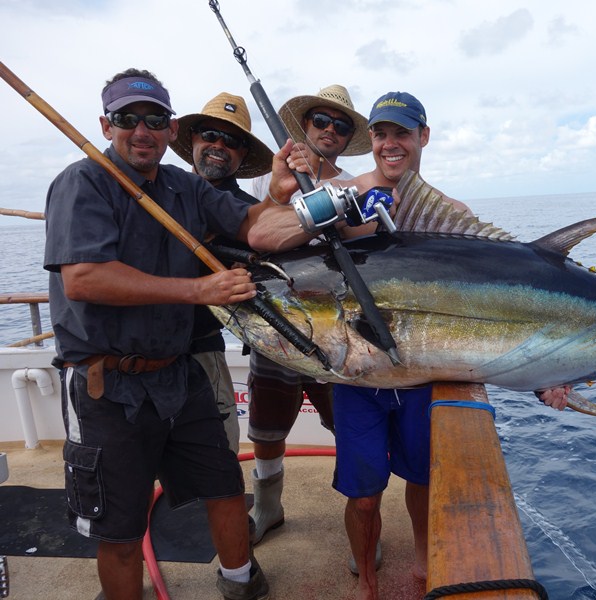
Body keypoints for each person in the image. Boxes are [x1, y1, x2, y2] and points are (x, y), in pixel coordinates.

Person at [253, 91, 570, 600]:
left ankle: (424, 568)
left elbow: (495, 309)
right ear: (371, 141)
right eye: (380, 134)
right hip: (360, 379)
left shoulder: (451, 214)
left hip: (422, 381)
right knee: (362, 498)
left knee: (423, 486)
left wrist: (542, 375)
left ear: (423, 137)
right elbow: (263, 236)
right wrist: (318, 204)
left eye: (402, 132)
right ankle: (368, 583)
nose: (390, 144)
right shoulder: (343, 189)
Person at [43, 68, 301, 600]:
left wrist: (284, 196)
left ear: (170, 127)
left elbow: (256, 225)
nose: (142, 130)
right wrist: (198, 291)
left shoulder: (184, 186)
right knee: (120, 526)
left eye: (154, 119)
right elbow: (85, 278)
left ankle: (239, 582)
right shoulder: (82, 182)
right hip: (106, 387)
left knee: (225, 487)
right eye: (127, 119)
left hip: (178, 375)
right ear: (105, 124)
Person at [243, 85, 372, 546]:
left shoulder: (353, 184)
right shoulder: (268, 175)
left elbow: (365, 245)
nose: (330, 131)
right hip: (278, 318)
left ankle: (361, 517)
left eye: (342, 126)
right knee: (266, 425)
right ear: (305, 125)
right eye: (321, 121)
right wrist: (284, 188)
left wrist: (333, 206)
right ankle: (268, 505)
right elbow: (255, 229)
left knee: (348, 422)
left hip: (335, 325)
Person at [169, 91, 274, 454]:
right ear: (192, 140)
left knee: (221, 459)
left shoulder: (252, 216)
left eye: (231, 140)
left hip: (204, 350)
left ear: (242, 154)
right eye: (209, 135)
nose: (218, 145)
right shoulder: (152, 195)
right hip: (140, 351)